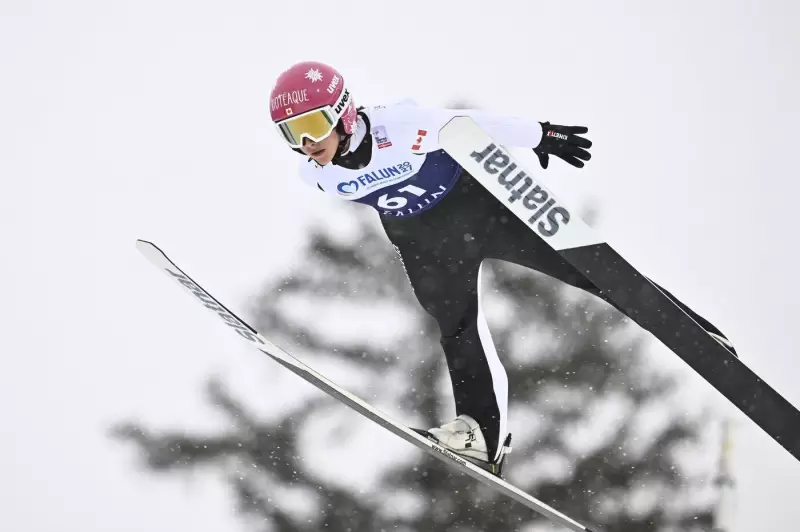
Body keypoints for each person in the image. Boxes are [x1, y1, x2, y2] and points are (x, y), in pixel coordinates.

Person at [268, 60, 736, 476]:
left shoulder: (398, 126)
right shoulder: (317, 175)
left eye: (312, 124)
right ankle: (481, 433)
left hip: (481, 215)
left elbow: (467, 125)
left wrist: (539, 135)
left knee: (590, 271)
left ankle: (696, 332)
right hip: (424, 245)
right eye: (291, 133)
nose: (307, 143)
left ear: (344, 111)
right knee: (455, 326)